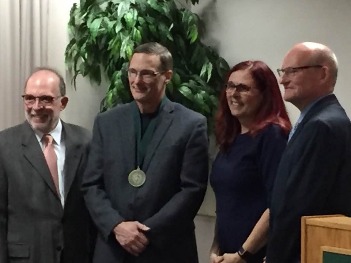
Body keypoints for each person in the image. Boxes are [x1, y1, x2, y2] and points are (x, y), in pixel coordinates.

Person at [82, 42, 209, 263]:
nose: (137, 81)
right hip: (113, 249)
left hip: (166, 250)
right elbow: (92, 184)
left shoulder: (191, 124)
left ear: (167, 76)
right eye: (132, 72)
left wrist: (144, 233)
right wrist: (117, 226)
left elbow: (192, 190)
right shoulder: (106, 122)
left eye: (147, 74)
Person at [266, 42, 351, 263]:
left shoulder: (322, 126)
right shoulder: (320, 120)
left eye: (292, 71)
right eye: (282, 72)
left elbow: (299, 207)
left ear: (323, 73)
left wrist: (276, 257)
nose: (283, 80)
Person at [0, 67, 95, 263]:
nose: (36, 106)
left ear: (63, 102)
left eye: (46, 99)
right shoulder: (4, 145)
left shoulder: (87, 141)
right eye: (29, 98)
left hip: (78, 256)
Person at [209, 60, 291, 263]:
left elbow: (277, 204)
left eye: (243, 88)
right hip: (228, 255)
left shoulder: (273, 135)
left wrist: (243, 254)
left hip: (256, 256)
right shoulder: (232, 137)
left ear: (265, 94)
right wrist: (216, 249)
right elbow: (226, 202)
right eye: (230, 86)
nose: (233, 94)